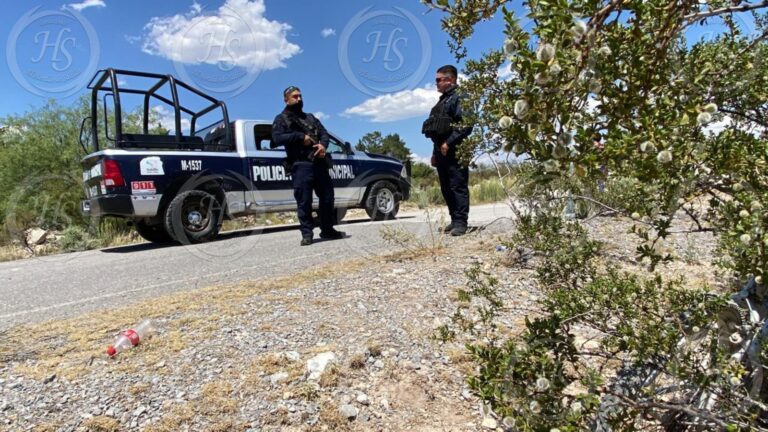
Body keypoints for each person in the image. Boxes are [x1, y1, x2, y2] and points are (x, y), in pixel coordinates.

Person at [272, 86, 344, 245]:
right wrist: (299, 137)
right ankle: (307, 234)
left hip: (319, 163)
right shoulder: (281, 119)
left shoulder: (310, 118)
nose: (299, 99)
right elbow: (277, 139)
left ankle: (327, 229)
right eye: (295, 97)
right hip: (301, 164)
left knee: (327, 198)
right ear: (286, 99)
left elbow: (324, 133)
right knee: (304, 201)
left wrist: (323, 146)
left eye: (300, 96)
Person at [422, 65, 473, 236]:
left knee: (457, 185)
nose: (436, 83)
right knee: (446, 187)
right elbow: (437, 130)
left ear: (450, 79)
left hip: (456, 150)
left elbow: (466, 124)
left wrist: (449, 143)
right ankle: (454, 219)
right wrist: (434, 152)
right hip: (441, 152)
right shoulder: (442, 101)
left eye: (438, 80)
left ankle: (461, 222)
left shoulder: (461, 97)